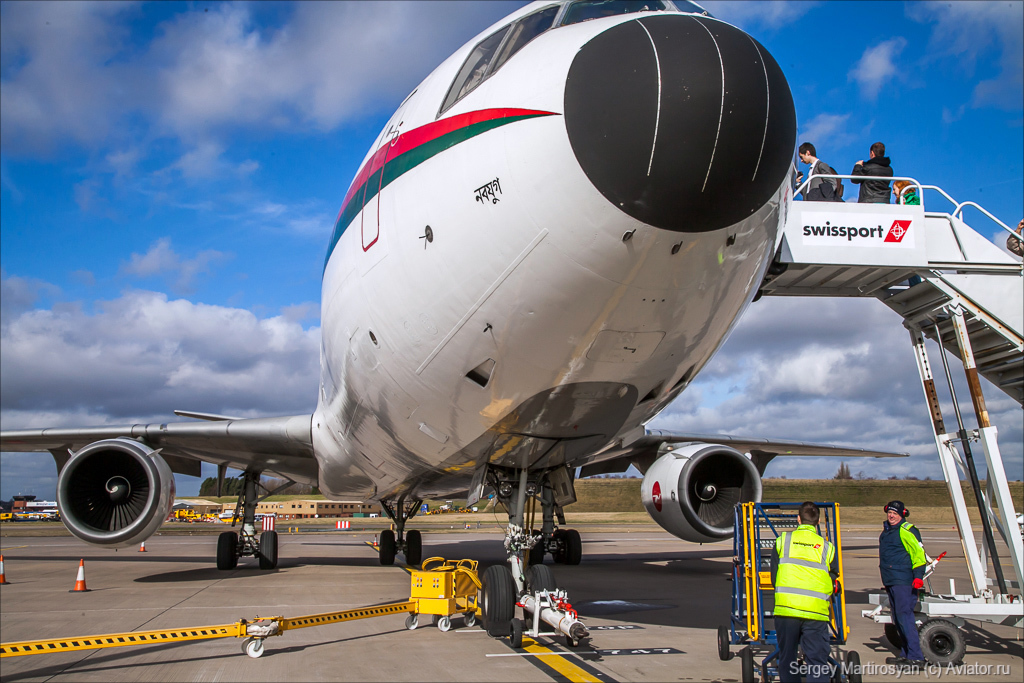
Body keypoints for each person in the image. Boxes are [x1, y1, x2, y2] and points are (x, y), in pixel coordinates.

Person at [771, 502, 840, 683]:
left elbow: (773, 577)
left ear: (798, 518)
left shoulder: (783, 541)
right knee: (817, 662)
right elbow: (833, 578)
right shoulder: (827, 547)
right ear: (817, 522)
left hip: (787, 610)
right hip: (815, 612)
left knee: (788, 659)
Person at [879, 500, 927, 667]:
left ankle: (916, 657)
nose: (891, 516)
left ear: (902, 515)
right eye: (890, 513)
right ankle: (906, 653)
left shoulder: (907, 530)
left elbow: (918, 555)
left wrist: (918, 576)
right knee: (898, 619)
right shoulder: (887, 531)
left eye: (895, 514)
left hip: (904, 581)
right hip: (891, 579)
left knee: (905, 617)